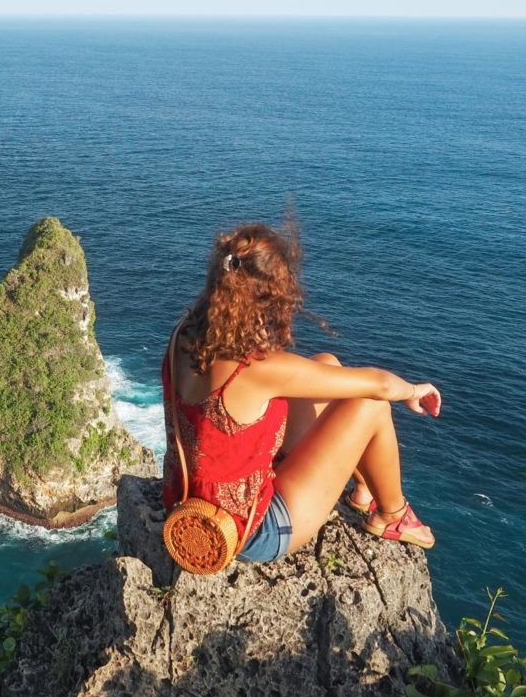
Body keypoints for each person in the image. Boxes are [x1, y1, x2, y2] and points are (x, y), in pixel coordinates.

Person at [162, 221, 442, 566]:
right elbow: (380, 385)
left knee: (327, 363)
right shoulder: (254, 368)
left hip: (187, 497)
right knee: (372, 406)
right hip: (252, 530)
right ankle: (393, 515)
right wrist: (414, 390)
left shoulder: (184, 332)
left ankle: (364, 489)